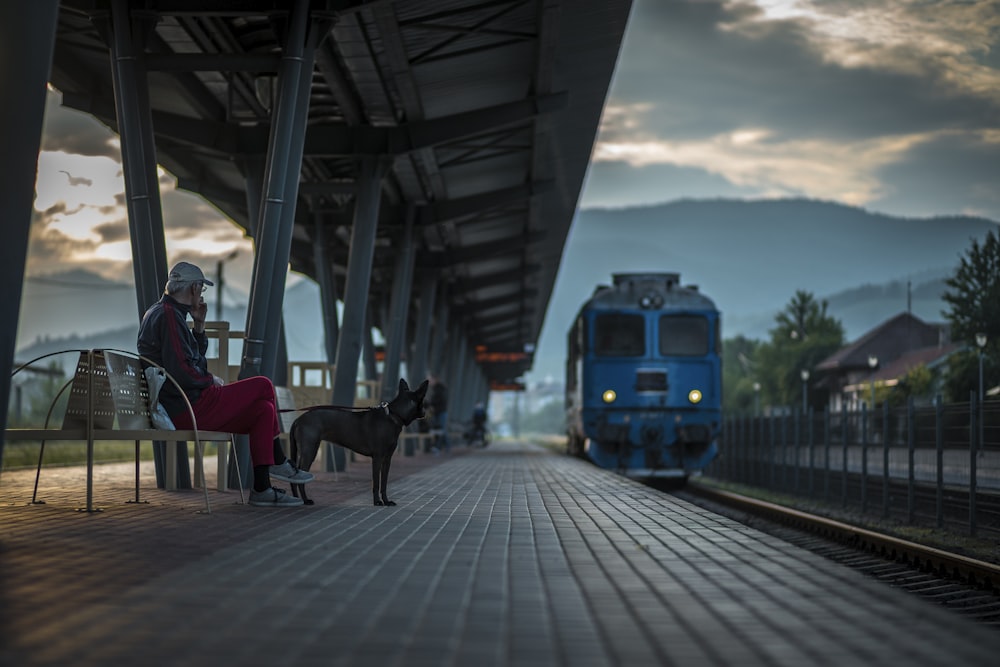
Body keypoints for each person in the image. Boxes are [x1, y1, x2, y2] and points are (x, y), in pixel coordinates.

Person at [137, 261, 313, 507]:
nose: (201, 294)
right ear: (193, 288)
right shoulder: (168, 316)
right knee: (263, 385)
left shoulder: (164, 313)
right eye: (201, 289)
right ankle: (280, 462)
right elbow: (184, 372)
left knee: (263, 411)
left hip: (185, 404)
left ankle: (262, 489)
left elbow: (192, 362)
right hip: (187, 407)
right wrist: (211, 381)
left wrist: (199, 326)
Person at [428, 374, 449, 454]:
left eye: (430, 380)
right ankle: (444, 446)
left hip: (440, 412)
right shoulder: (436, 389)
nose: (429, 382)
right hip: (438, 412)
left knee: (440, 430)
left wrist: (431, 404)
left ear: (435, 380)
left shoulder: (439, 389)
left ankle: (438, 447)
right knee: (440, 430)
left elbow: (439, 400)